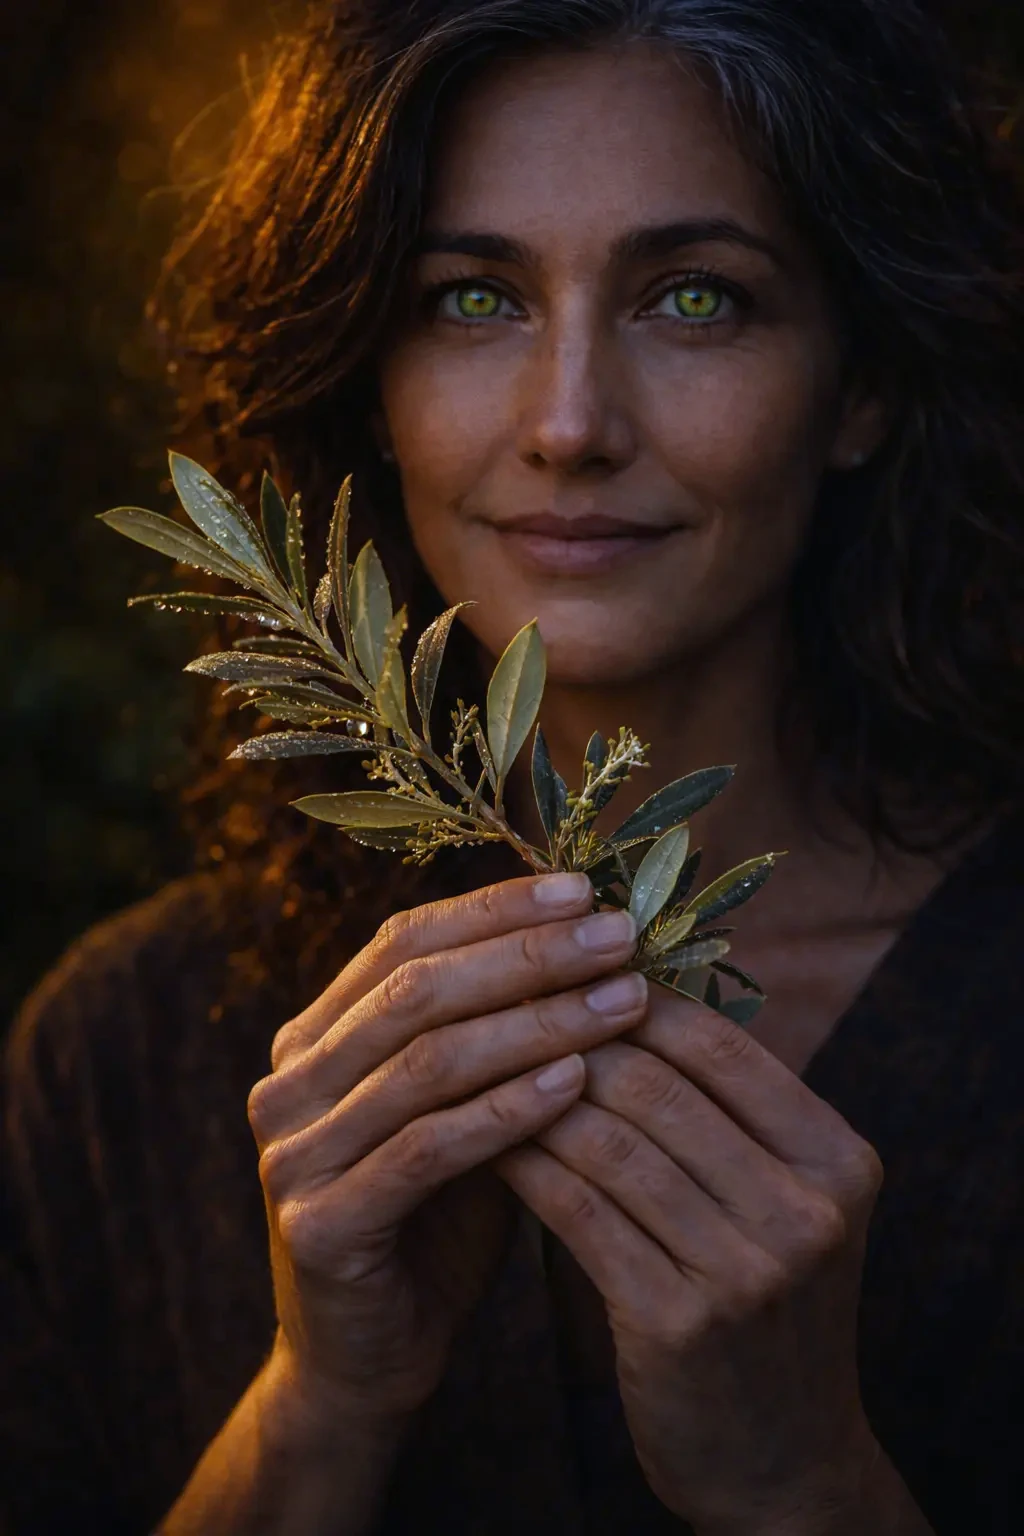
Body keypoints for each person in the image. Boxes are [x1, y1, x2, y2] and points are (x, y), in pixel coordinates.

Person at [3, 0, 1024, 1531]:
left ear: (861, 384)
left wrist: (803, 1483)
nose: (568, 425)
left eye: (695, 299)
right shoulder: (120, 1059)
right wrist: (320, 1409)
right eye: (472, 299)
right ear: (371, 381)